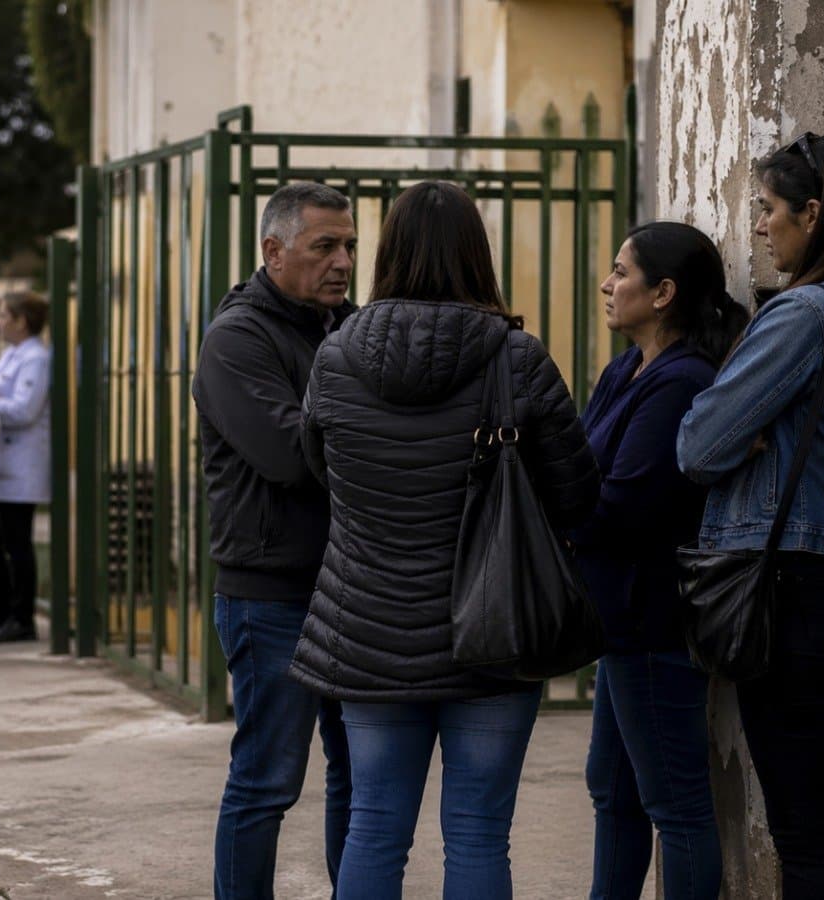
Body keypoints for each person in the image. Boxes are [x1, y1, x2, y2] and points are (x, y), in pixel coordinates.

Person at [288, 181, 599, 900]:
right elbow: (578, 494)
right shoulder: (516, 359)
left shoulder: (334, 359)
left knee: (373, 825)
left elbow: (320, 470)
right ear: (475, 254)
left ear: (388, 253)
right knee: (480, 831)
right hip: (496, 630)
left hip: (368, 630)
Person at [677, 133, 824, 899]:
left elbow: (697, 444)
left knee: (807, 834)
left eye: (767, 208)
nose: (757, 226)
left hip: (793, 593)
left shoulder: (807, 312)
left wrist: (743, 432)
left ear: (811, 214)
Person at [573, 222, 749, 900]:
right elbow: (581, 475)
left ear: (664, 293)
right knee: (612, 791)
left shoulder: (681, 382)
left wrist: (565, 519)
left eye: (621, 272)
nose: (607, 284)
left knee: (675, 806)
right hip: (619, 620)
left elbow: (620, 505)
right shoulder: (627, 369)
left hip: (653, 620)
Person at [193, 181, 356, 899]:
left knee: (358, 775)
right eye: (324, 246)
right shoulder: (236, 340)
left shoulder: (348, 327)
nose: (342, 261)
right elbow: (290, 455)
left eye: (349, 246)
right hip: (271, 596)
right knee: (267, 781)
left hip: (350, 589)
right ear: (274, 251)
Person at [0, 291, 52, 644]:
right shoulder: (9, 355)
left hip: (20, 466)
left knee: (16, 543)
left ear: (22, 321)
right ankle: (0, 610)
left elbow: (24, 410)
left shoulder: (36, 359)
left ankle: (21, 618)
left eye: (3, 316)